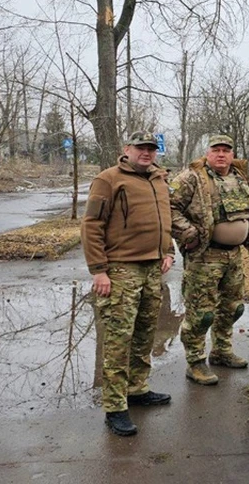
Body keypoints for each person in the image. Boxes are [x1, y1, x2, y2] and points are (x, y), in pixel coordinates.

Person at [81, 131, 175, 436]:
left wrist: (168, 251)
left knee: (146, 333)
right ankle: (115, 407)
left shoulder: (159, 179)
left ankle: (137, 389)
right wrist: (98, 270)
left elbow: (165, 220)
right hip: (121, 270)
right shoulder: (108, 179)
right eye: (140, 148)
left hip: (152, 268)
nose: (146, 153)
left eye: (151, 148)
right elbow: (92, 225)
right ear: (127, 149)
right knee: (118, 340)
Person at [170, 134, 249, 386]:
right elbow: (167, 206)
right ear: (207, 153)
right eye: (216, 150)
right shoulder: (191, 177)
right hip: (205, 256)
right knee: (202, 313)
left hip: (234, 255)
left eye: (226, 150)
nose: (221, 154)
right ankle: (195, 362)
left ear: (232, 154)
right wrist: (188, 232)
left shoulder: (239, 177)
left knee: (232, 308)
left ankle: (221, 350)